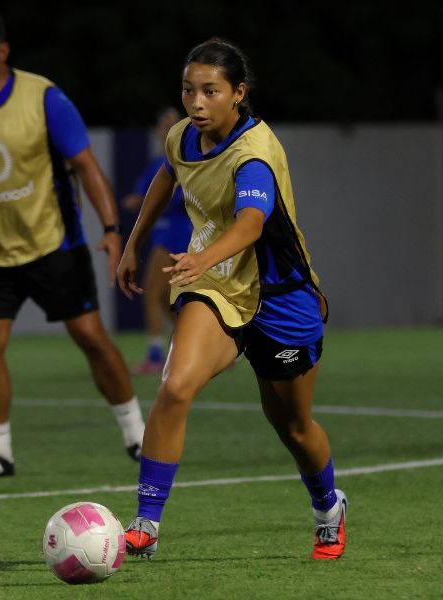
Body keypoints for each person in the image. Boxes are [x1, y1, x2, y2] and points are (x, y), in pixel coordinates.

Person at [118, 38, 347, 561]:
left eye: (210, 91)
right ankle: (146, 525)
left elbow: (251, 224)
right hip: (217, 283)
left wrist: (201, 257)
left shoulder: (254, 155)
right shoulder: (184, 136)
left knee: (292, 426)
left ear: (238, 94)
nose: (196, 103)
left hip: (280, 297)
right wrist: (134, 244)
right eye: (188, 90)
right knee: (175, 386)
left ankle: (328, 508)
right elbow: (166, 174)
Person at [0, 7, 145, 477]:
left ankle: (137, 433)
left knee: (89, 335)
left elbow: (86, 165)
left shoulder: (43, 97)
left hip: (54, 245)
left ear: (3, 51)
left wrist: (110, 231)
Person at [121, 108, 192, 374]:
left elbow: (179, 198)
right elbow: (142, 197)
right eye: (163, 124)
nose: (167, 129)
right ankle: (201, 347)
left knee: (152, 293)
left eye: (172, 124)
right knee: (164, 299)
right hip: (163, 233)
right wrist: (135, 201)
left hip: (178, 234)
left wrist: (143, 202)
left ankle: (154, 356)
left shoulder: (187, 161)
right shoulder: (157, 163)